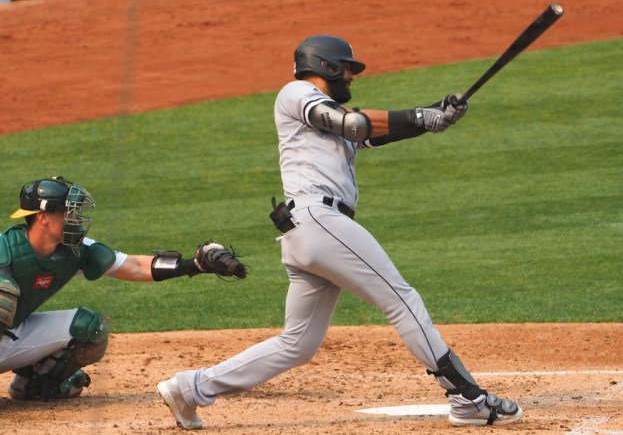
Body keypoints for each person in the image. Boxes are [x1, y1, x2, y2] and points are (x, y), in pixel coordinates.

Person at [156, 34, 523, 429]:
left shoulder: (323, 113)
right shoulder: (295, 93)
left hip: (308, 231)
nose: (351, 75)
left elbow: (371, 131)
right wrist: (420, 115)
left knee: (297, 344)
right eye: (347, 68)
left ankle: (191, 388)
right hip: (319, 222)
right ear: (327, 66)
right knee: (401, 299)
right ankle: (466, 398)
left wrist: (437, 113)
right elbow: (353, 124)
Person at [0, 176, 245, 400]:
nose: (75, 219)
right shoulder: (7, 251)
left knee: (89, 328)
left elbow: (134, 266)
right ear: (43, 217)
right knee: (3, 296)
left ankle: (31, 386)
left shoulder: (75, 250)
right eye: (68, 213)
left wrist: (194, 264)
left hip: (10, 337)